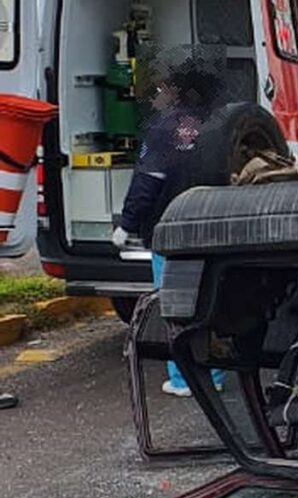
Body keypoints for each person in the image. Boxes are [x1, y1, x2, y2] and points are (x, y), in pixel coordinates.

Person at [112, 56, 224, 397]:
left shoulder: (163, 130)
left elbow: (148, 181)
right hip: (216, 226)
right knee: (213, 302)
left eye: (162, 88)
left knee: (177, 305)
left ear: (175, 91)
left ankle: (184, 379)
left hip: (171, 229)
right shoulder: (220, 123)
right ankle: (216, 373)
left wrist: (127, 223)